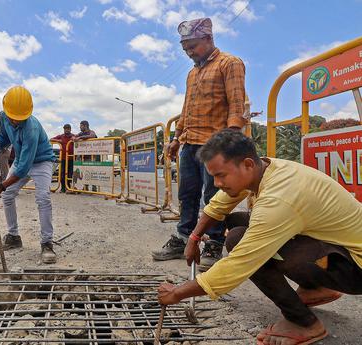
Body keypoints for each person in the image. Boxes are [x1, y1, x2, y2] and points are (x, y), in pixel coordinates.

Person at [157, 129, 362, 345]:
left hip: (355, 268)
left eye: (221, 175)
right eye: (213, 175)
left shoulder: (278, 197)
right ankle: (316, 287)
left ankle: (304, 323)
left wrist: (178, 293)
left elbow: (239, 264)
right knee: (236, 221)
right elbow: (218, 204)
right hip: (337, 251)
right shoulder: (264, 169)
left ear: (247, 164)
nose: (216, 183)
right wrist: (194, 238)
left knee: (238, 240)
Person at [151, 17, 246, 271]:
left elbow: (237, 104)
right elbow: (186, 110)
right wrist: (175, 139)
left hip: (215, 145)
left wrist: (230, 142)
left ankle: (214, 242)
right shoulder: (192, 73)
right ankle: (183, 237)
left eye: (192, 46)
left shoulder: (230, 63)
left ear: (208, 39)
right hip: (189, 143)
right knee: (187, 194)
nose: (189, 53)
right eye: (185, 49)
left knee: (213, 196)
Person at [0, 86, 57, 264]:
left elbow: (23, 169)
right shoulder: (5, 117)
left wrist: (0, 186)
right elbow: (4, 139)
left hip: (42, 161)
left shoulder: (32, 128)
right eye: (12, 117)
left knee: (43, 198)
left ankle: (47, 243)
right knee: (7, 196)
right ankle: (13, 237)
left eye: (18, 119)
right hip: (22, 159)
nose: (14, 121)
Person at [50, 124, 75, 192]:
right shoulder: (61, 136)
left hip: (71, 158)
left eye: (68, 128)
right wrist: (58, 141)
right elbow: (51, 139)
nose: (66, 130)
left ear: (70, 129)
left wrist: (75, 139)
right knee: (62, 173)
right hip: (63, 159)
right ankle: (63, 188)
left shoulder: (73, 136)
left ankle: (69, 187)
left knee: (70, 173)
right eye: (65, 128)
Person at [0, 113, 11, 183]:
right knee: (2, 170)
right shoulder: (1, 127)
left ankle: (5, 187)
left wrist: (4, 147)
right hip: (0, 151)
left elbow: (10, 138)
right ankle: (2, 185)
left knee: (4, 171)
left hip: (3, 151)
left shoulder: (6, 127)